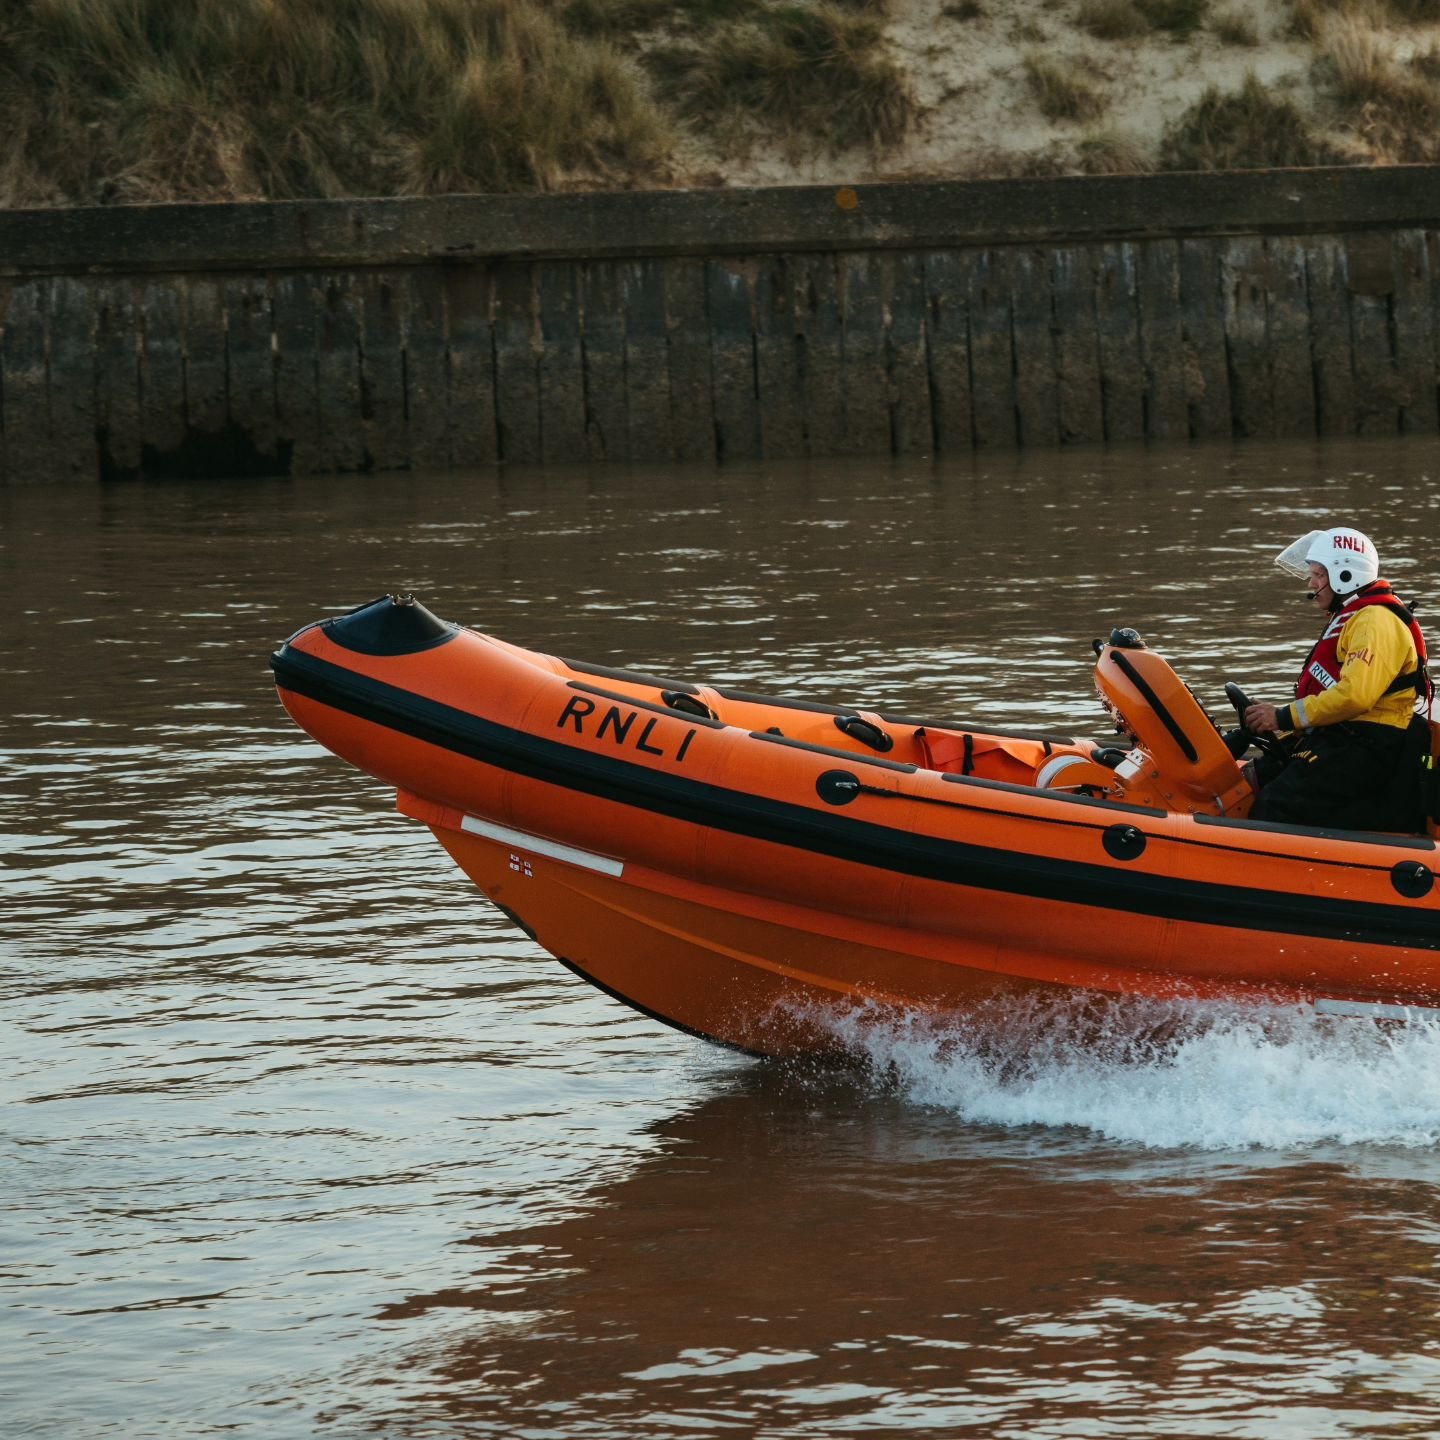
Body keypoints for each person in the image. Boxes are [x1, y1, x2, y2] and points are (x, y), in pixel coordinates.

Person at [1243, 525, 1431, 832]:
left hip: (1367, 746)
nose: (1311, 582)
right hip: (1344, 737)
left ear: (1346, 576)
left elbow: (1355, 696)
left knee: (1276, 804)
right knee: (1259, 778)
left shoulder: (1375, 621)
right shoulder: (1355, 616)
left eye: (1318, 574)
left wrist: (1282, 716)